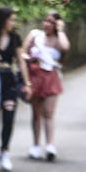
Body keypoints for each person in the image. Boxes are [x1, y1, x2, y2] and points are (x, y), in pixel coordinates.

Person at [0, 7, 30, 172]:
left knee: (9, 116)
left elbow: (21, 61)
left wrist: (27, 83)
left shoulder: (15, 38)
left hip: (8, 81)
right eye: (11, 19)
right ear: (3, 20)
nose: (13, 23)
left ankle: (4, 151)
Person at [23, 11, 69, 162]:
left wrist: (61, 30)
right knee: (36, 113)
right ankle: (36, 145)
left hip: (51, 77)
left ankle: (50, 145)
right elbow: (22, 53)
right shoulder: (35, 35)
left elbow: (65, 48)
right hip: (35, 75)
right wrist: (31, 58)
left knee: (49, 112)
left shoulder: (58, 39)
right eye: (45, 21)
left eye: (51, 22)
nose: (47, 24)